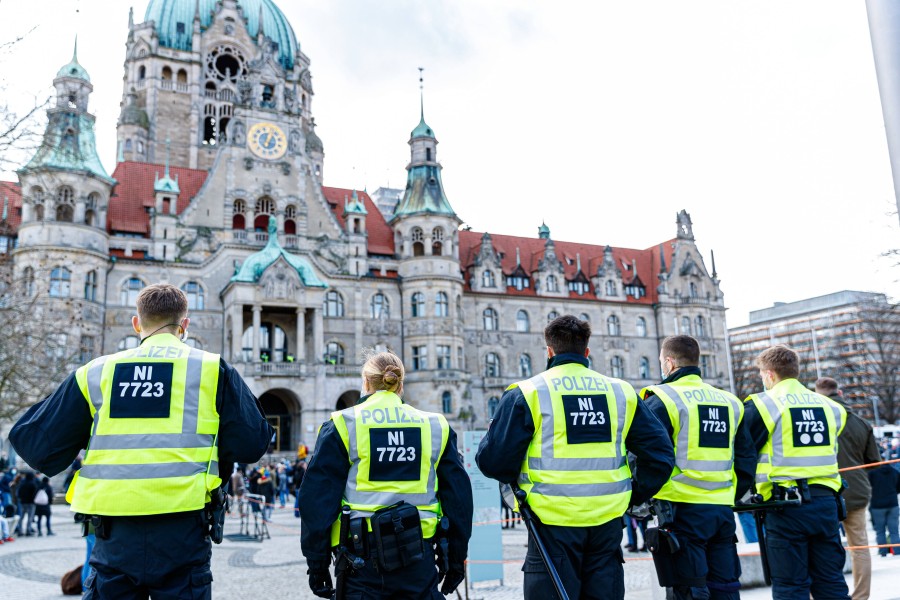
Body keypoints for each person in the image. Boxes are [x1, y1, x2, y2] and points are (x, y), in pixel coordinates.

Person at [9, 283, 273, 599]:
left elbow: (33, 442)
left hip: (113, 534)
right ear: (184, 325)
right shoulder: (212, 370)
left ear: (137, 324)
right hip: (184, 530)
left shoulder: (97, 372)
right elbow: (254, 443)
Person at [476, 315, 675, 600]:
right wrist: (631, 494)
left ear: (549, 351)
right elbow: (661, 455)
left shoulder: (528, 393)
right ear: (587, 352)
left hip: (550, 525)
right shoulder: (620, 392)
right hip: (606, 524)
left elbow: (492, 462)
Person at [299, 351, 473, 599]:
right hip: (419, 557)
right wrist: (456, 558)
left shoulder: (343, 424)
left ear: (366, 383)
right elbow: (459, 500)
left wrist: (316, 564)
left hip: (360, 562)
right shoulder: (435, 426)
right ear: (400, 385)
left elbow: (316, 501)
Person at [641, 335, 756, 600]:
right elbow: (746, 457)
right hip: (721, 510)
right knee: (725, 586)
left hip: (680, 510)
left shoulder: (662, 398)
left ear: (669, 363)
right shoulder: (730, 401)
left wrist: (642, 495)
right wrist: (733, 493)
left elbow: (647, 454)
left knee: (689, 588)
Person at [741, 345, 850, 600]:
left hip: (785, 506)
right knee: (831, 581)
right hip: (826, 503)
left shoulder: (763, 404)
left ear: (769, 374)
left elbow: (745, 452)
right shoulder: (832, 407)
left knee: (791, 586)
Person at [815, 376, 881, 599]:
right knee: (860, 547)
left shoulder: (818, 419)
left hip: (824, 491)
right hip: (856, 491)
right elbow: (873, 460)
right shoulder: (861, 422)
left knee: (822, 546)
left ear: (817, 395)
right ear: (840, 393)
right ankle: (861, 596)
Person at [867, 456, 900, 556]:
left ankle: (883, 552)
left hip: (877, 505)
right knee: (894, 531)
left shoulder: (872, 473)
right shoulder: (895, 472)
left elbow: (868, 488)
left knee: (880, 531)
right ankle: (897, 551)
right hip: (892, 504)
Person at [14, 471, 37, 536]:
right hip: (31, 503)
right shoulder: (33, 484)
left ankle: (20, 531)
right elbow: (35, 494)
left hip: (23, 503)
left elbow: (18, 493)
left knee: (21, 517)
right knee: (30, 518)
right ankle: (28, 531)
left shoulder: (22, 484)